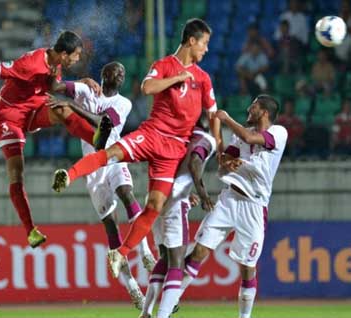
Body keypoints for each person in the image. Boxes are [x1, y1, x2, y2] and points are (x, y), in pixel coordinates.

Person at [51, 18, 221, 278]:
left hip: (174, 149)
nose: (206, 49)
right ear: (191, 41)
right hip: (153, 134)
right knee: (111, 154)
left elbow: (213, 115)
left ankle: (120, 253)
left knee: (154, 205)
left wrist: (219, 148)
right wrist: (176, 78)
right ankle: (69, 176)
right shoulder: (165, 65)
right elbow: (148, 87)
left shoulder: (204, 79)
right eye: (205, 43)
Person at [49, 61, 157, 310]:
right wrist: (80, 79)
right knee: (111, 229)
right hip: (93, 169)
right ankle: (133, 290)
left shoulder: (124, 103)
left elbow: (102, 123)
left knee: (128, 195)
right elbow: (55, 86)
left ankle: (145, 252)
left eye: (123, 71)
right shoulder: (87, 91)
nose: (120, 73)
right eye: (115, 70)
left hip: (115, 157)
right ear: (104, 74)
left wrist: (72, 105)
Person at [0, 30, 101, 249]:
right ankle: (30, 231)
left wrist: (82, 81)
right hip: (10, 117)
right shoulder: (30, 63)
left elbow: (51, 87)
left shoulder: (55, 64)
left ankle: (100, 141)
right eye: (76, 55)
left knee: (63, 109)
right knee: (16, 174)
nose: (77, 59)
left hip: (33, 111)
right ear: (65, 54)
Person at [177, 95, 287, 318]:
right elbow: (225, 160)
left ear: (265, 112)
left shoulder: (278, 133)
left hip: (254, 205)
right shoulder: (241, 140)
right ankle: (172, 301)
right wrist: (227, 160)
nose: (249, 108)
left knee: (248, 267)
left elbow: (249, 135)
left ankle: (244, 317)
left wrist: (225, 118)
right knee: (199, 251)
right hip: (229, 200)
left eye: (254, 105)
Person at [140, 122, 216, 318]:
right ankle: (162, 315)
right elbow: (194, 162)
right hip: (174, 198)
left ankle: (146, 312)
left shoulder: (174, 133)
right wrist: (203, 194)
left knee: (164, 258)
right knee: (176, 262)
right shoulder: (205, 140)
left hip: (155, 195)